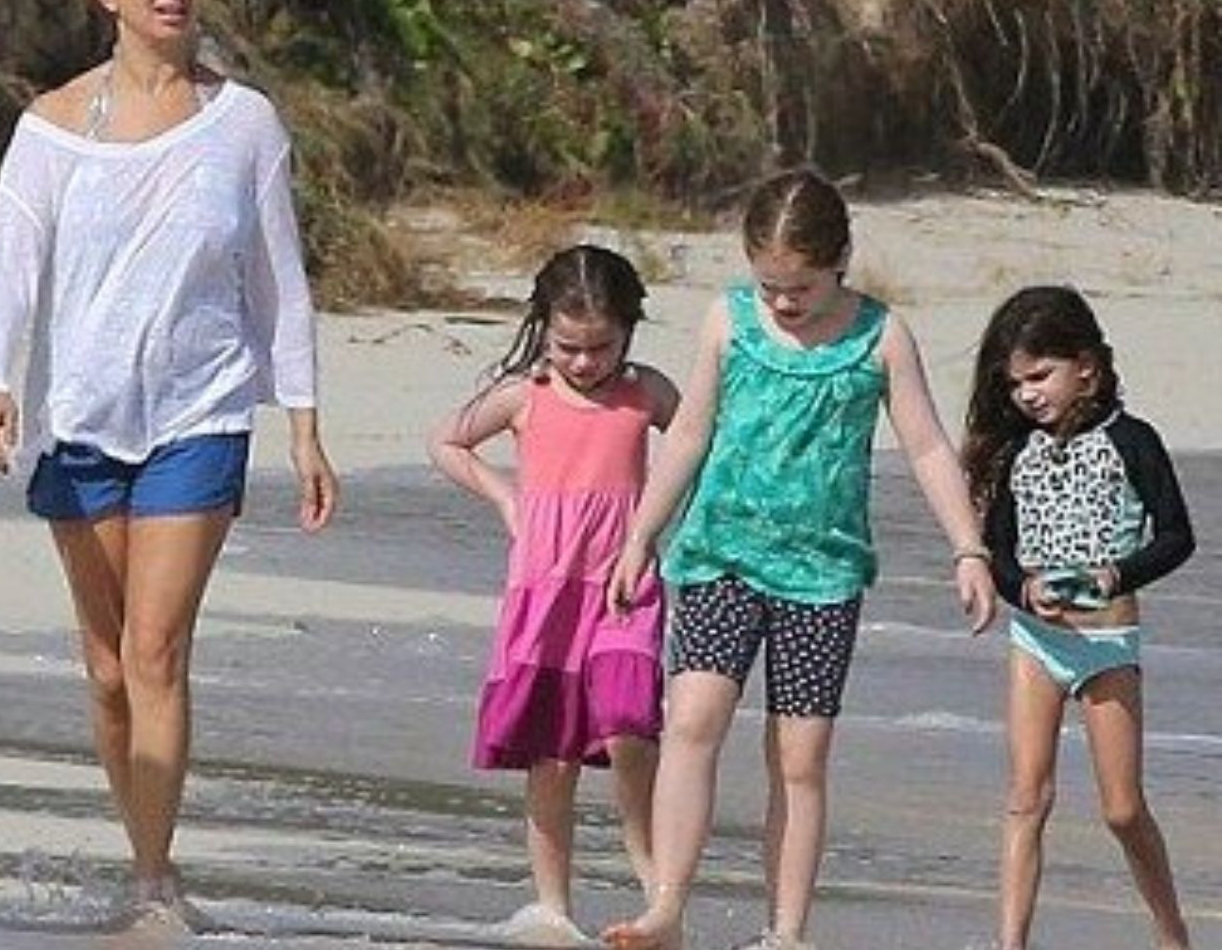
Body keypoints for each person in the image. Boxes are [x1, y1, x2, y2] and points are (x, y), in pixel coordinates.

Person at [0, 0, 339, 931]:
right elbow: (10, 274)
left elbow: (278, 279)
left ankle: (155, 880)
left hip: (198, 414)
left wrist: (299, 417)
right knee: (109, 668)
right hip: (78, 418)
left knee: (159, 649)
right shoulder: (49, 130)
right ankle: (146, 855)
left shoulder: (244, 123)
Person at [600, 168, 998, 950]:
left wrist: (968, 547)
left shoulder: (879, 336)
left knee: (800, 753)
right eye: (770, 283)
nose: (784, 301)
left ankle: (786, 932)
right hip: (719, 552)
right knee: (693, 720)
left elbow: (924, 445)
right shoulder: (729, 322)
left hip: (823, 574)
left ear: (841, 258)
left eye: (801, 286)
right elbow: (688, 435)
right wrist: (641, 534)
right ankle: (667, 906)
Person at [428, 244, 679, 946]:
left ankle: (659, 887)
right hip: (544, 591)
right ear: (544, 327)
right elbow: (446, 441)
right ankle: (553, 908)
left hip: (625, 584)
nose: (584, 362)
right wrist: (505, 497)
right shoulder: (523, 394)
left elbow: (698, 446)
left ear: (629, 330)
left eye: (601, 347)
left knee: (632, 724)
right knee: (553, 754)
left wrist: (663, 520)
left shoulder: (648, 392)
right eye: (569, 346)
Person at [961, 285, 1194, 950]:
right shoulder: (1018, 453)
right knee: (1025, 797)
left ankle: (1171, 933)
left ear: (1086, 367)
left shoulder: (1133, 440)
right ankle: (1011, 944)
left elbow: (1178, 536)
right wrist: (1021, 590)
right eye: (1015, 385)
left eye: (1041, 376)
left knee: (1122, 810)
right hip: (1037, 641)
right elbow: (1001, 550)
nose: (1028, 394)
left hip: (1108, 641)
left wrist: (1115, 575)